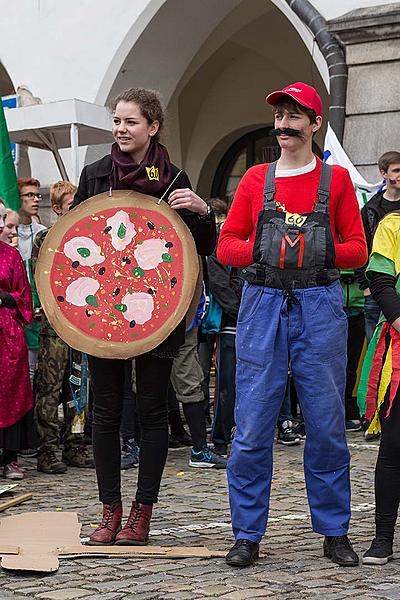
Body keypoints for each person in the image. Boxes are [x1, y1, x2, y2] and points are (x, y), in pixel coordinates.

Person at [217, 82, 367, 568]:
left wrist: (315, 249)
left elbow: (357, 250)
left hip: (318, 302)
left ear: (314, 123)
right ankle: (246, 534)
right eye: (280, 116)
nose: (283, 124)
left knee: (325, 425)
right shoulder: (255, 180)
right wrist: (263, 249)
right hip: (262, 301)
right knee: (253, 425)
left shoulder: (336, 182)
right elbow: (227, 245)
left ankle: (333, 530)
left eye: (294, 116)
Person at [72, 87, 216, 545]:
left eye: (131, 122)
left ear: (152, 127)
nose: (121, 129)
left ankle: (141, 514)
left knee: (153, 411)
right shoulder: (95, 175)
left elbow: (201, 250)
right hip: (104, 316)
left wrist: (202, 211)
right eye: (117, 121)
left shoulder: (174, 179)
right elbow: (77, 243)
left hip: (160, 313)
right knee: (107, 412)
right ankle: (109, 510)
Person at [33, 181, 94, 474]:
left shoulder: (90, 241)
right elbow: (43, 280)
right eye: (72, 205)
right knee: (49, 390)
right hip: (55, 329)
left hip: (82, 329)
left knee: (78, 389)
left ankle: (75, 445)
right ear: (57, 209)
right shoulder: (44, 239)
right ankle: (47, 450)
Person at [358, 211, 400, 565]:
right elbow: (381, 279)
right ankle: (383, 538)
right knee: (394, 444)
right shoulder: (392, 226)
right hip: (398, 351)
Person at [0, 199, 34, 479]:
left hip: (7, 334)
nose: (3, 227)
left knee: (10, 391)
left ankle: (10, 457)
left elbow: (24, 297)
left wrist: (6, 297)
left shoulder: (11, 257)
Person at [17, 177, 46, 385]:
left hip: (37, 309)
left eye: (38, 195)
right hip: (16, 308)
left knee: (35, 370)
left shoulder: (41, 232)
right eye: (29, 195)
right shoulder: (9, 233)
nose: (35, 199)